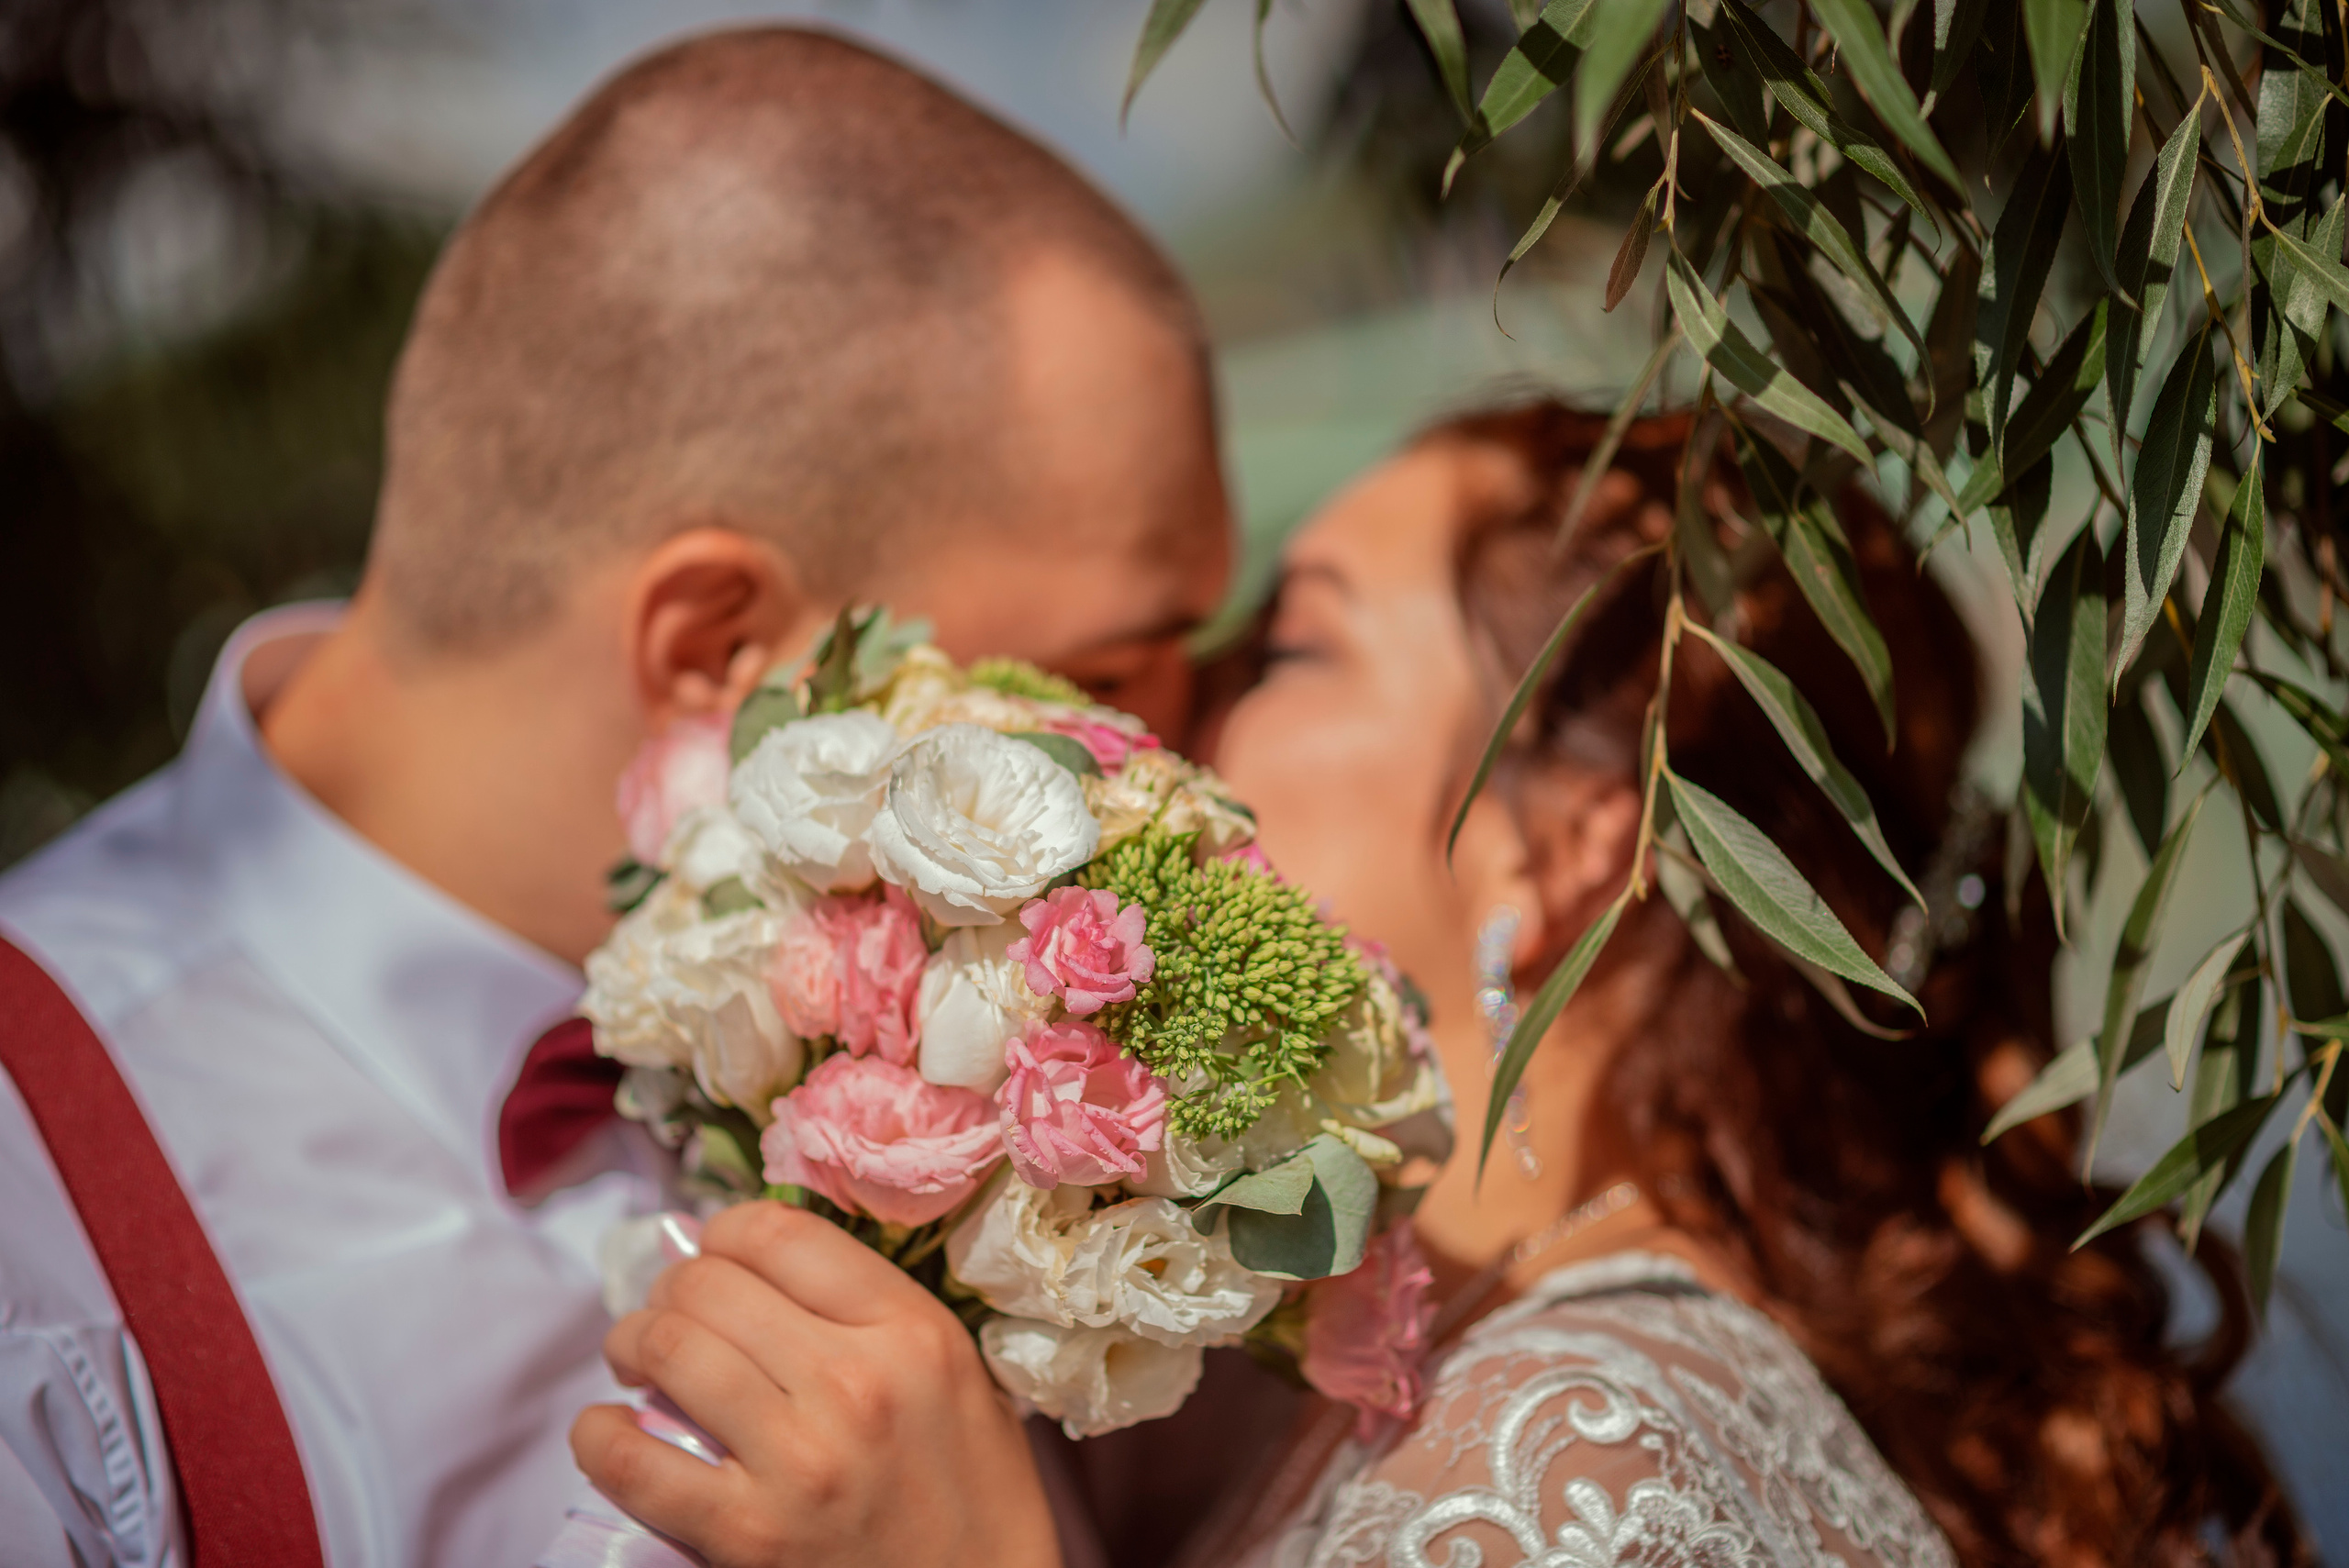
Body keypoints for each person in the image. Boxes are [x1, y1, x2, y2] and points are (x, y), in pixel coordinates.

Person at [590, 402, 2306, 1568]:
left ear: (1559, 843)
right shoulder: (1510, 1382)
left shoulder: (1567, 1454)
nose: (1174, 728)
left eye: (1292, 646)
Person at [0, 27, 1227, 1568]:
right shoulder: (32, 1242)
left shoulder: (1031, 1086)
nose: (1188, 757)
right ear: (719, 651)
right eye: (1114, 669)